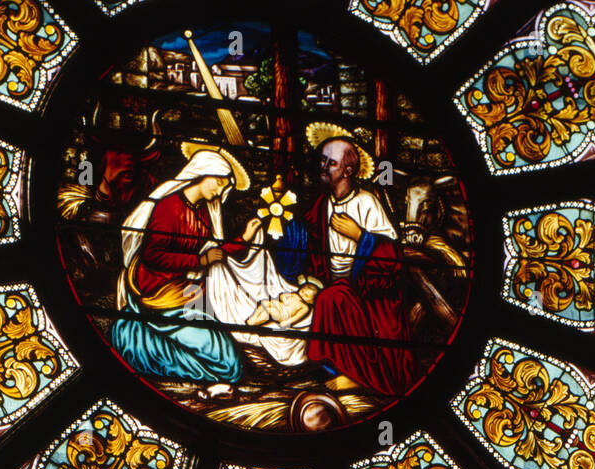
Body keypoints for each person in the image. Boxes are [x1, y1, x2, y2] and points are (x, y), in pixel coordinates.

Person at [274, 130, 413, 396]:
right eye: (323, 160)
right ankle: (335, 369)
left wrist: (360, 236)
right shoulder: (322, 203)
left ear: (348, 170)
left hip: (370, 294)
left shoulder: (367, 202)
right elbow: (309, 241)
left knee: (331, 298)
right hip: (333, 285)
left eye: (332, 162)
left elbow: (392, 257)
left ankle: (358, 377)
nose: (323, 166)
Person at [111, 146, 257, 393]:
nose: (222, 190)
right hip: (160, 294)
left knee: (230, 359)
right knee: (229, 364)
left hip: (186, 294)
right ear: (204, 173)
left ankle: (207, 376)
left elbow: (213, 251)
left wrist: (244, 239)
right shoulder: (169, 208)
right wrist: (199, 261)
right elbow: (153, 256)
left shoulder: (201, 211)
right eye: (220, 182)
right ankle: (140, 340)